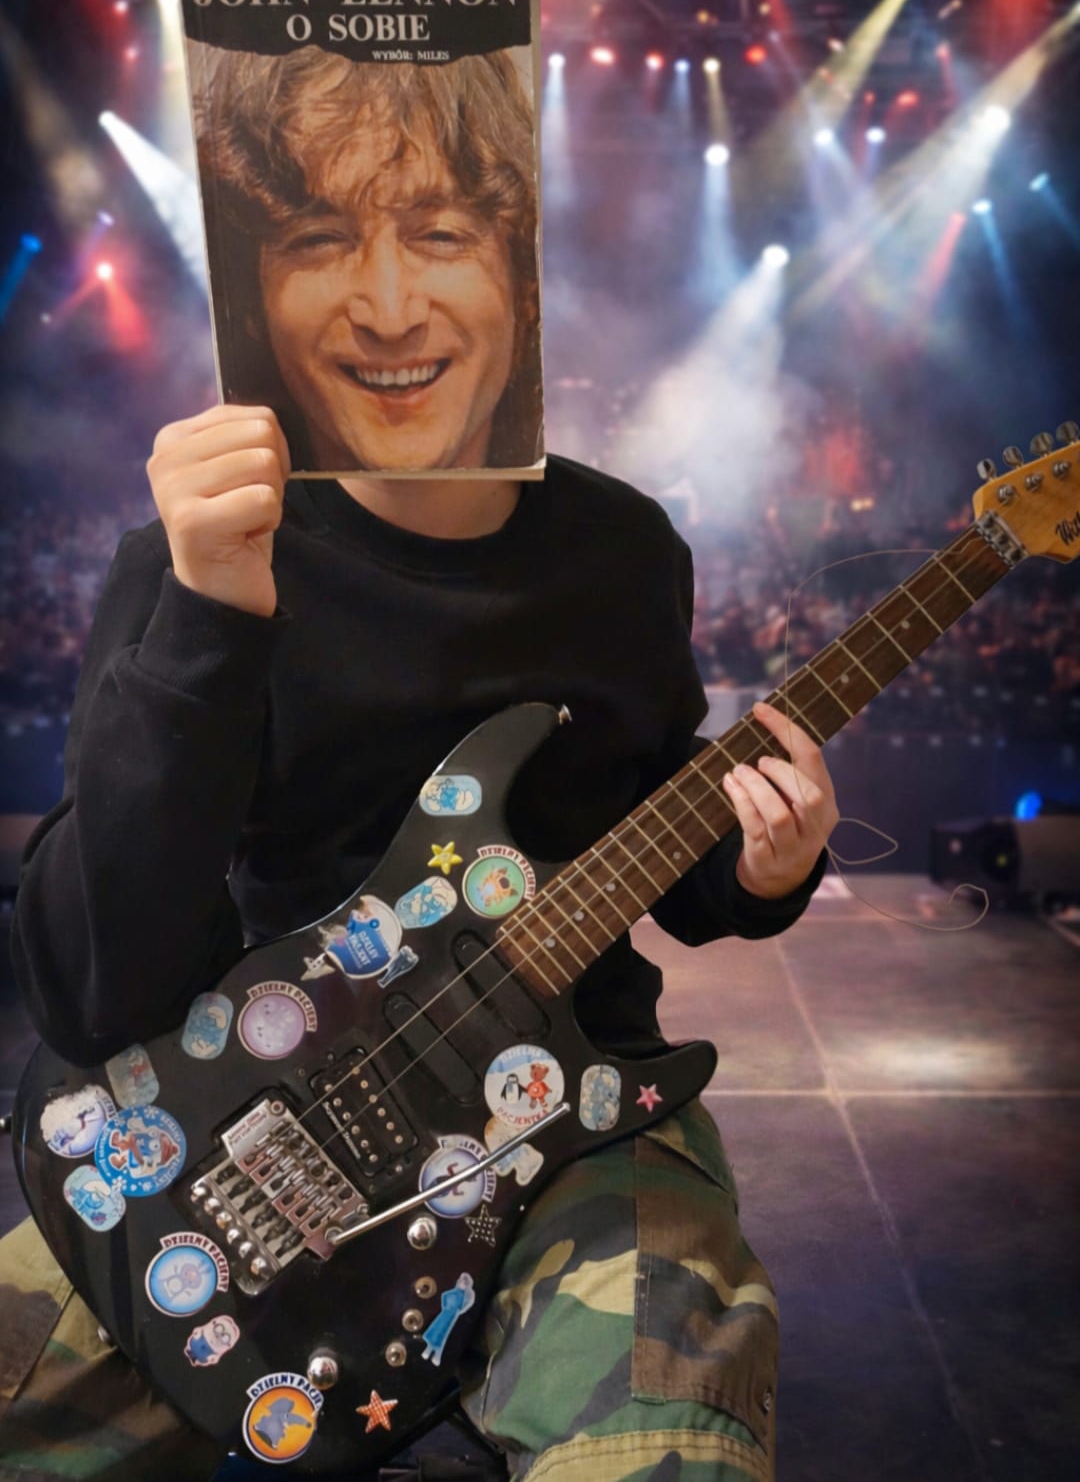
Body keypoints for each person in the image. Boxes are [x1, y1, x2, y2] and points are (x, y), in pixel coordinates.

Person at [0, 397, 837, 1480]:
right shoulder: (196, 548)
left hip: (573, 1113)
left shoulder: (627, 548)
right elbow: (89, 992)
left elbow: (657, 825)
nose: (393, 316)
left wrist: (759, 872)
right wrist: (207, 614)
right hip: (237, 1125)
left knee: (671, 1442)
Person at [193, 42, 543, 475]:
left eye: (440, 236)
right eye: (319, 240)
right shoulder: (200, 523)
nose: (389, 319)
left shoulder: (609, 518)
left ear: (526, 286)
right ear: (252, 303)